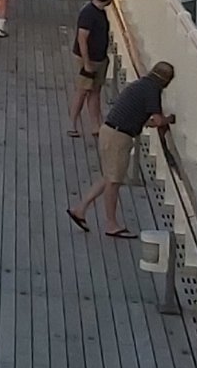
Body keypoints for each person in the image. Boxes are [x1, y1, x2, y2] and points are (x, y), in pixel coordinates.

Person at [70, 61, 176, 238]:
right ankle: (111, 224)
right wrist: (170, 119)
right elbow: (158, 120)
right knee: (114, 182)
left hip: (108, 130)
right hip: (119, 137)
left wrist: (148, 122)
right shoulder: (153, 90)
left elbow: (138, 115)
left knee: (107, 177)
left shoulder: (140, 85)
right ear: (166, 80)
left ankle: (80, 209)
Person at [69, 0, 117, 138]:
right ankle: (72, 124)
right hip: (89, 60)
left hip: (99, 59)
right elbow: (82, 38)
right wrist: (87, 63)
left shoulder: (97, 12)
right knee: (82, 91)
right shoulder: (89, 13)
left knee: (95, 91)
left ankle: (96, 126)